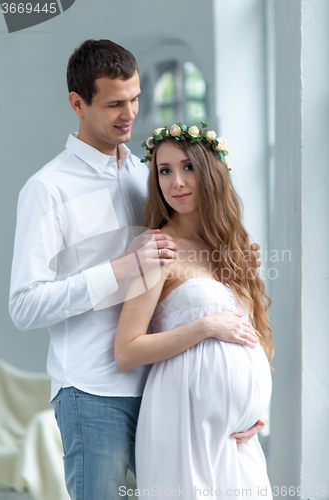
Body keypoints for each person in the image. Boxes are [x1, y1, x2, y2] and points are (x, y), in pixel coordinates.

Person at [9, 40, 266, 500]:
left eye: (135, 99)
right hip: (94, 393)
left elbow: (183, 250)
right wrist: (121, 268)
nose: (129, 114)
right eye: (113, 104)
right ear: (77, 104)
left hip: (165, 390)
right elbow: (24, 307)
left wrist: (226, 251)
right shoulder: (47, 189)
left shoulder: (147, 173)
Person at [114, 124, 274, 499]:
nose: (177, 182)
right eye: (164, 170)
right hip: (180, 420)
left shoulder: (234, 250)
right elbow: (127, 350)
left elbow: (251, 335)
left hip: (239, 435)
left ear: (212, 172)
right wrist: (204, 327)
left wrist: (257, 410)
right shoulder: (158, 249)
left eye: (188, 167)